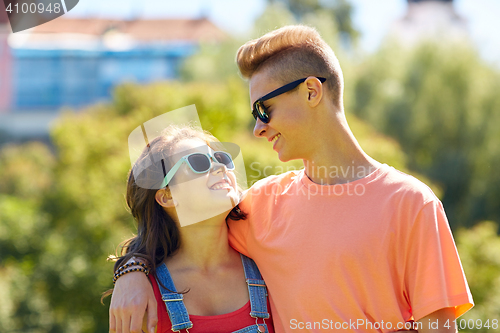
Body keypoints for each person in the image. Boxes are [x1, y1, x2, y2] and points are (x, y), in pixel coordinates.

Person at [109, 25, 473, 333]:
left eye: (263, 110)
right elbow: (180, 234)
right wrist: (132, 271)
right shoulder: (258, 206)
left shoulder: (412, 204)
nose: (257, 128)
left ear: (312, 91)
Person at [107, 125, 274, 333]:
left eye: (221, 159)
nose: (220, 168)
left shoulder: (270, 263)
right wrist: (129, 270)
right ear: (167, 196)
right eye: (198, 163)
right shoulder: (144, 297)